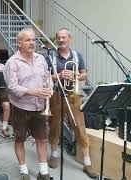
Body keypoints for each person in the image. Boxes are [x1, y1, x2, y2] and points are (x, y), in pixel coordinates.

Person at [46, 28, 98, 179]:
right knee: (55, 126)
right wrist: (59, 75)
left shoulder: (77, 55)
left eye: (64, 37)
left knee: (80, 127)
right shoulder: (50, 56)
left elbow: (84, 74)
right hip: (56, 95)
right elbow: (44, 76)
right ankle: (54, 155)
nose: (61, 40)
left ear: (70, 39)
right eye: (59, 37)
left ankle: (87, 163)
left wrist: (76, 75)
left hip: (74, 96)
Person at [3, 28, 52, 180]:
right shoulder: (12, 63)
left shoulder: (41, 59)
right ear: (19, 43)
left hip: (40, 106)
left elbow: (47, 77)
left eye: (33, 40)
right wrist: (34, 92)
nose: (32, 42)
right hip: (20, 107)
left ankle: (43, 172)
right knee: (20, 139)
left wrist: (49, 88)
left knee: (42, 139)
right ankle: (24, 171)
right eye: (27, 40)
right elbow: (12, 87)